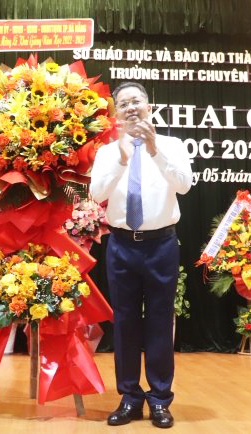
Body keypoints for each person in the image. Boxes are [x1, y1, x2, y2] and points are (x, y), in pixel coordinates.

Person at [90, 82, 192, 428]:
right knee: (126, 323)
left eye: (136, 102)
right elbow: (96, 193)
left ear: (150, 106)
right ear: (115, 112)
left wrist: (153, 151)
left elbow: (184, 184)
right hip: (121, 245)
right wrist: (121, 157)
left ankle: (160, 400)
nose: (130, 108)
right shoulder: (106, 151)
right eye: (123, 104)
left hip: (161, 244)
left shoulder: (172, 145)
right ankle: (130, 397)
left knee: (161, 322)